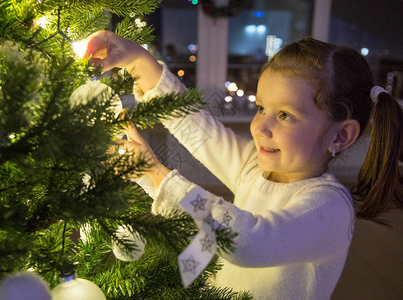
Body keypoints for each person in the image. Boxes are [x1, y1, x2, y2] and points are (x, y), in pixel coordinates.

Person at [82, 30, 402, 299]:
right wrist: (140, 62)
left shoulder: (329, 208)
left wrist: (158, 175)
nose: (260, 127)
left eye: (286, 115)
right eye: (261, 108)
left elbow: (247, 242)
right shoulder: (254, 166)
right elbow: (200, 131)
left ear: (341, 135)